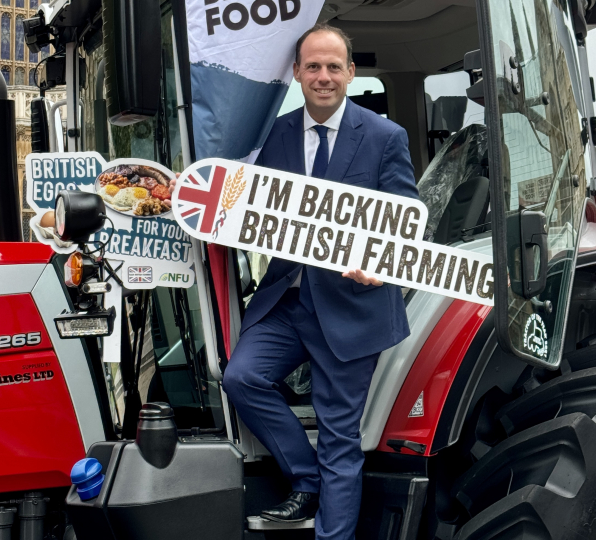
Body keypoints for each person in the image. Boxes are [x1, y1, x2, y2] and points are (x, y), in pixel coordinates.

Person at [172, 23, 418, 540]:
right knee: (241, 377)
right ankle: (306, 483)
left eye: (333, 67)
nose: (323, 77)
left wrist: (383, 260)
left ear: (350, 72)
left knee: (338, 438)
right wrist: (189, 194)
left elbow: (407, 214)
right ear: (297, 74)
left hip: (354, 305)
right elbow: (251, 205)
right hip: (290, 299)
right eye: (313, 67)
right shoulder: (279, 135)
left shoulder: (383, 136)